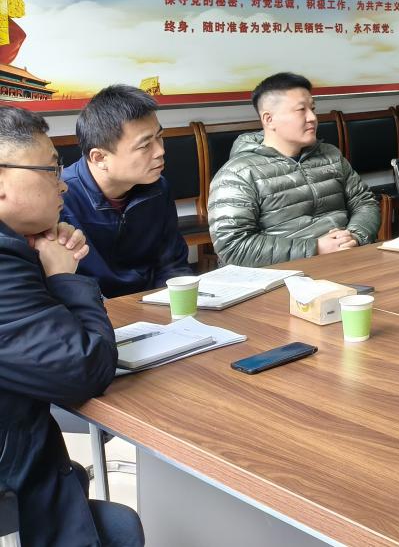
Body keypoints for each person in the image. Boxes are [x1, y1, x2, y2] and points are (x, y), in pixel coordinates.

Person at [0, 106, 146, 547]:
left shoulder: (14, 246)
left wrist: (42, 261)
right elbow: (84, 369)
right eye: (50, 169)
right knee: (120, 531)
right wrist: (64, 277)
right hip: (15, 490)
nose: (62, 183)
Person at [209, 72, 379, 267]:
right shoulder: (238, 174)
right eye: (301, 110)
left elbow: (364, 202)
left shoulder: (330, 155)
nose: (312, 118)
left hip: (346, 259)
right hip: (284, 274)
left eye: (312, 109)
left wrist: (354, 236)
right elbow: (233, 246)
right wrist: (315, 248)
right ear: (269, 119)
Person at [60, 84, 194, 298]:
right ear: (99, 158)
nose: (160, 151)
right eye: (145, 145)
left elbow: (172, 265)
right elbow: (64, 286)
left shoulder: (158, 188)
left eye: (159, 137)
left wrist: (171, 305)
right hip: (95, 310)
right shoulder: (60, 198)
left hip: (152, 303)